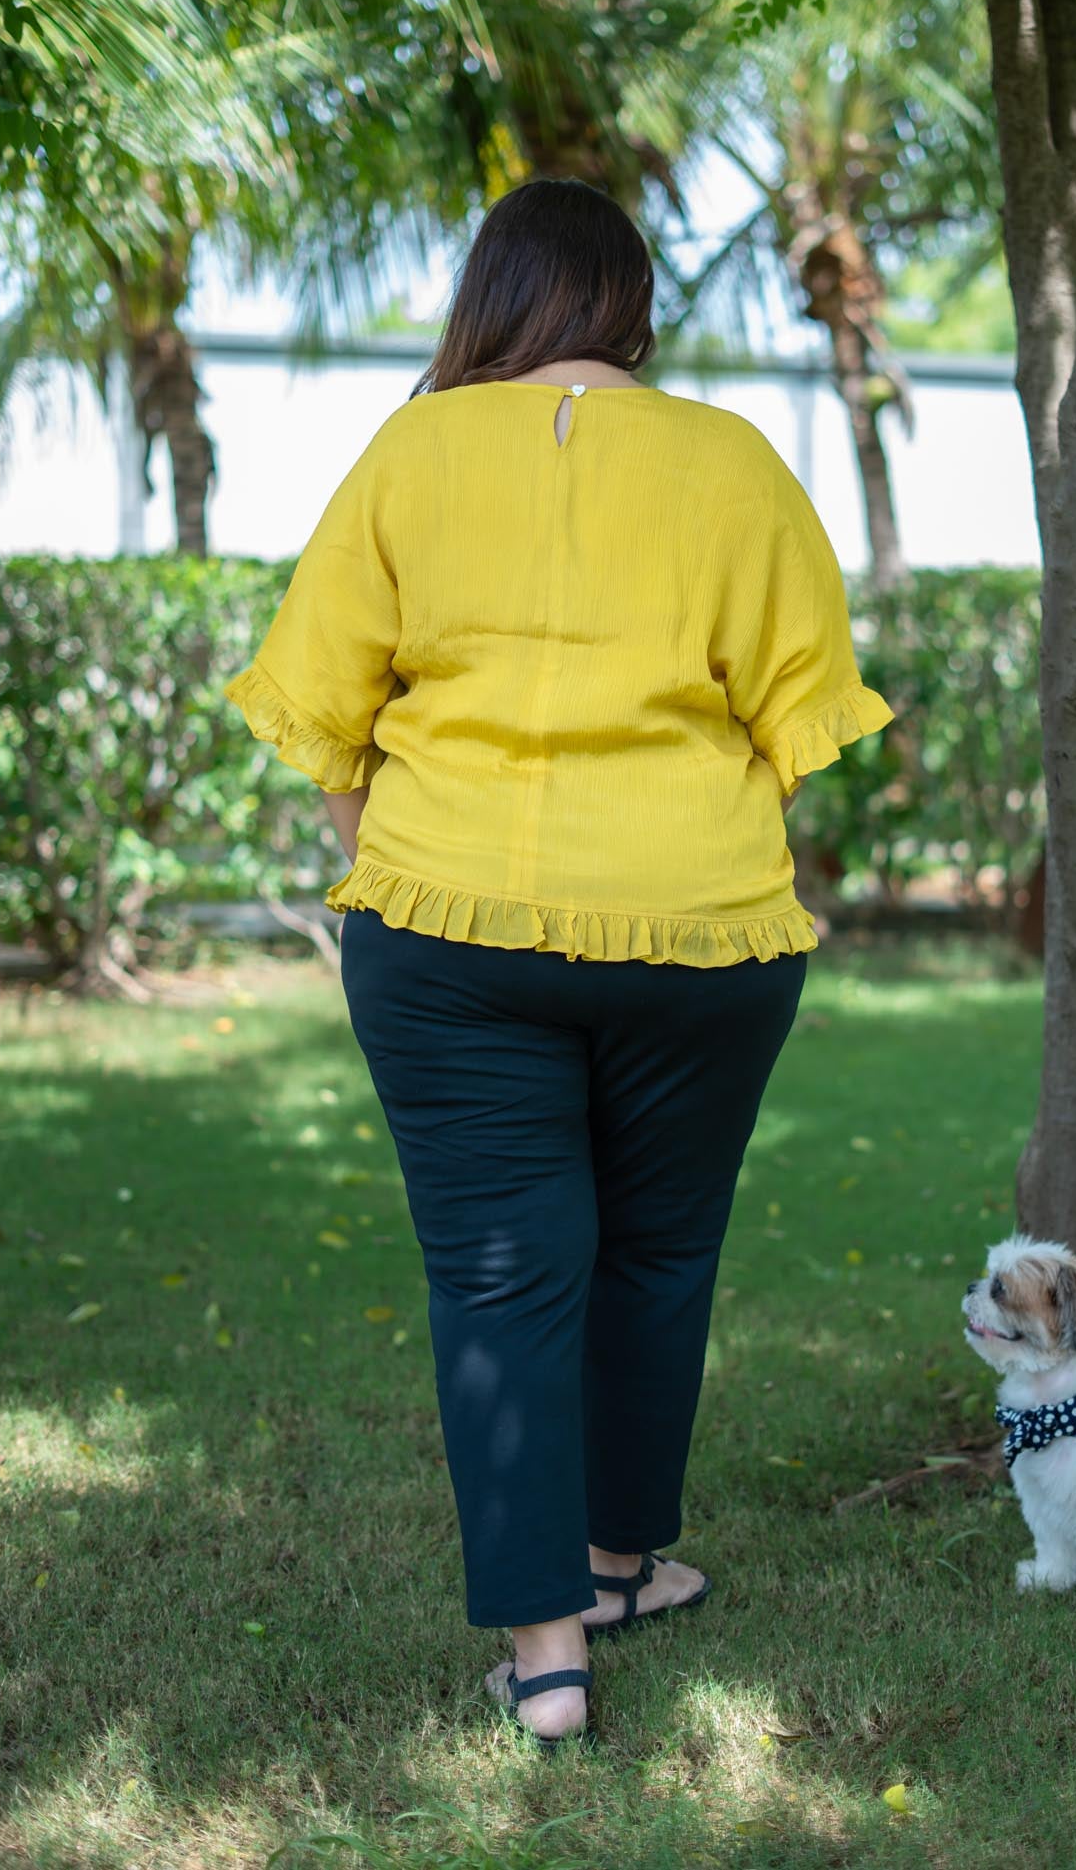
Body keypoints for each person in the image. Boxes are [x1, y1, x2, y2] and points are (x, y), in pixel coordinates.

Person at [224, 177, 893, 1749]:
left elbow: (325, 717)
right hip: (704, 933)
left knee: (499, 1274)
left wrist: (391, 865)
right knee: (658, 1255)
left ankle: (547, 1662)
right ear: (628, 304)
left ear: (492, 298)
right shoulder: (732, 461)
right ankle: (611, 1564)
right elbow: (798, 726)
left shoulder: (408, 450)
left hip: (444, 926)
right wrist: (674, 852)